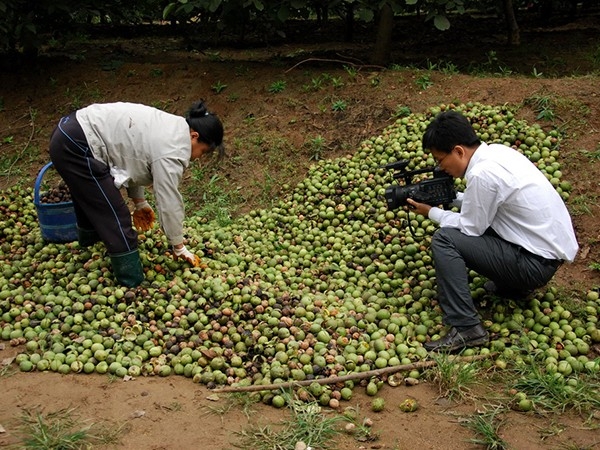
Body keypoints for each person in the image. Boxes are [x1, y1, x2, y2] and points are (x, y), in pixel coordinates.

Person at [406, 110, 578, 352]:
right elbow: (486, 204)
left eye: (439, 159)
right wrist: (450, 198)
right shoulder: (497, 153)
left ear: (458, 151)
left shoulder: (482, 173)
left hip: (534, 265)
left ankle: (466, 328)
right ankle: (512, 287)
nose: (440, 167)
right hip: (544, 256)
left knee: (445, 239)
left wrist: (430, 212)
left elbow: (470, 228)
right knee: (478, 225)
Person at [48, 100, 224, 287]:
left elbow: (131, 157)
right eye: (203, 152)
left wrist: (139, 202)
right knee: (117, 216)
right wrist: (178, 246)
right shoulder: (173, 150)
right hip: (77, 144)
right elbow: (168, 201)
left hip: (69, 129)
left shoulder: (173, 126)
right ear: (194, 136)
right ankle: (132, 281)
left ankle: (90, 247)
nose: (197, 158)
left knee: (92, 195)